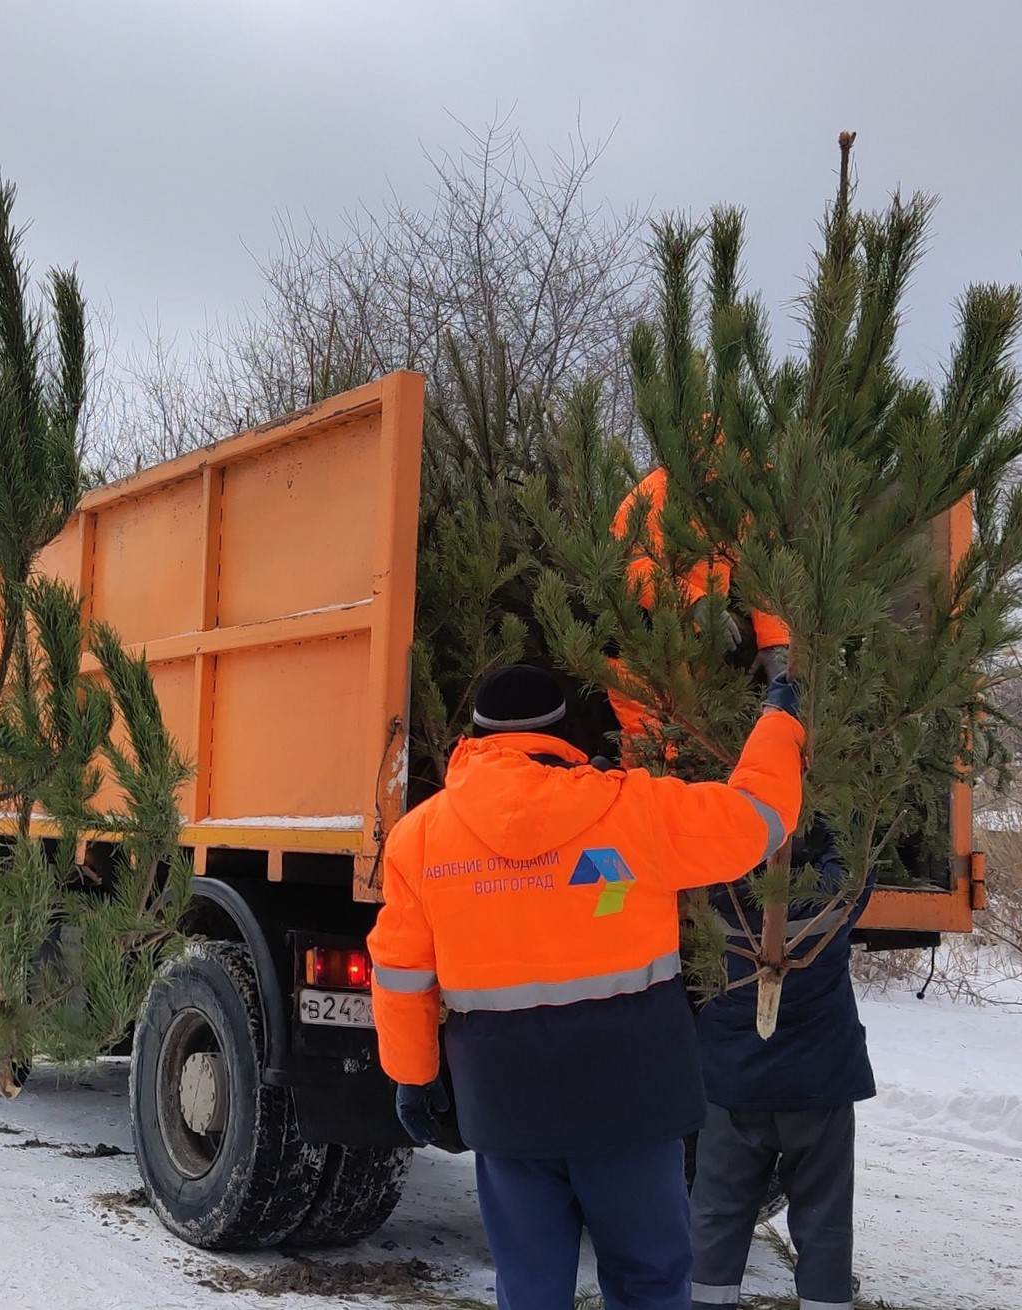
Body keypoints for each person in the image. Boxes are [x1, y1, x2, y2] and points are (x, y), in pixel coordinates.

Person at [369, 664, 806, 1310]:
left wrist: (412, 1074)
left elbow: (401, 973)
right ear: (560, 732)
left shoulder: (421, 839)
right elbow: (757, 819)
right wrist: (777, 723)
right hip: (632, 1104)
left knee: (531, 1289)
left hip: (506, 1106)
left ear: (476, 736)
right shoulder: (635, 808)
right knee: (650, 1283)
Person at [688, 821, 876, 1310]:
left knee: (717, 1214)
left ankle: (707, 1302)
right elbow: (859, 864)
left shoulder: (716, 899)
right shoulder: (829, 908)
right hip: (819, 1090)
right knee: (824, 1219)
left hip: (733, 1088)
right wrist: (829, 827)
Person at [609, 461, 790, 761]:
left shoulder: (742, 495)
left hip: (700, 647)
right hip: (640, 646)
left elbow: (760, 570)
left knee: (702, 746)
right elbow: (628, 568)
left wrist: (774, 642)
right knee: (657, 748)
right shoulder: (650, 497)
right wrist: (692, 601)